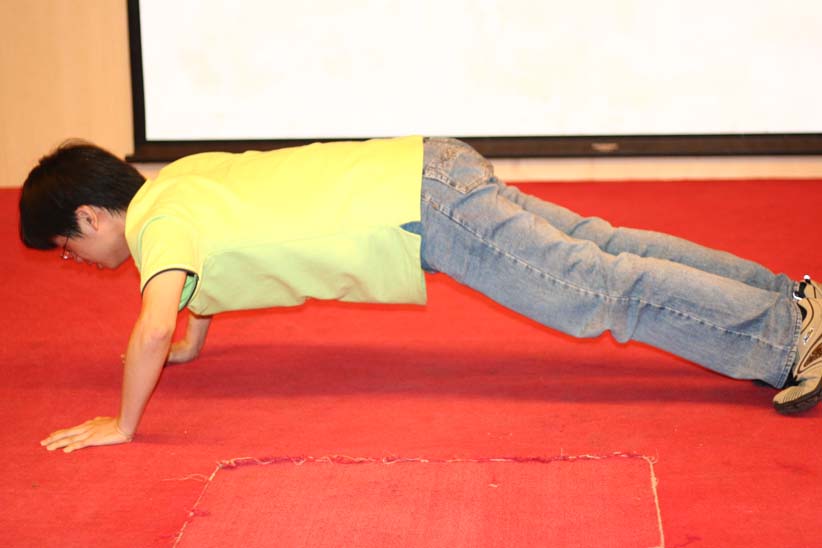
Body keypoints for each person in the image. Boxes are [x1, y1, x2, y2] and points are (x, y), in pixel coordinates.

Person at [19, 136, 822, 453]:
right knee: (600, 247)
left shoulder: (156, 228)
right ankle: (790, 301)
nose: (78, 260)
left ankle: (788, 340)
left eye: (67, 247)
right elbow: (209, 274)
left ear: (90, 215)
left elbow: (152, 326)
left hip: (422, 214)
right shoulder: (178, 183)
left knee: (593, 290)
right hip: (431, 165)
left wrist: (123, 424)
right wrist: (195, 339)